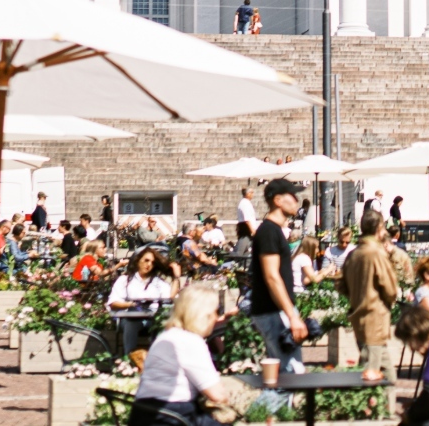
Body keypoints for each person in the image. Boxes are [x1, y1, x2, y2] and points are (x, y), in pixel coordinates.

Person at [131, 284, 229, 426]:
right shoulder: (191, 341)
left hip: (143, 415)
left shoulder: (165, 337)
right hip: (173, 417)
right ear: (204, 315)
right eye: (216, 311)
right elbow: (218, 395)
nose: (216, 317)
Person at [249, 177, 310, 375]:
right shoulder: (268, 231)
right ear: (277, 200)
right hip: (273, 311)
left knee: (283, 376)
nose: (296, 200)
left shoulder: (272, 231)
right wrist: (292, 315)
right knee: (290, 373)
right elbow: (272, 276)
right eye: (292, 195)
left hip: (274, 311)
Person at [339, 210, 401, 382]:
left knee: (388, 375)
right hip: (374, 318)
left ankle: (387, 409)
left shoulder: (354, 253)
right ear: (380, 228)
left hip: (360, 316)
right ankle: (376, 409)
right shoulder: (375, 253)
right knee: (371, 375)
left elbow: (341, 285)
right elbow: (390, 289)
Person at [110, 246, 175, 361]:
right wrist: (131, 305)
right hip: (130, 318)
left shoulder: (158, 282)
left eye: (152, 262)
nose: (149, 264)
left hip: (152, 318)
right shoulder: (125, 280)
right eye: (146, 260)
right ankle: (129, 361)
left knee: (162, 324)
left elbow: (169, 299)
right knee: (131, 323)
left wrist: (176, 278)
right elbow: (113, 302)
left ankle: (159, 360)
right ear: (138, 260)